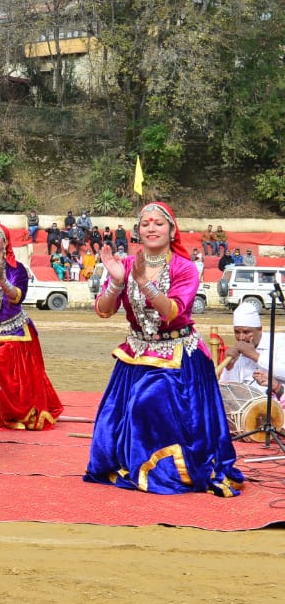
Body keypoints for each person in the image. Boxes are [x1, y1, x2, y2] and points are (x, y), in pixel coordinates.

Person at [84, 201, 243, 496]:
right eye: (145, 224)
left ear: (171, 230)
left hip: (177, 355)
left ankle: (164, 469)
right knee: (112, 414)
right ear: (138, 231)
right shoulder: (127, 264)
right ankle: (130, 463)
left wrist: (144, 283)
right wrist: (118, 283)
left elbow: (173, 311)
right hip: (136, 354)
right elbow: (103, 311)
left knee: (147, 401)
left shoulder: (185, 268)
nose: (151, 228)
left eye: (158, 223)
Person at [0, 224, 63, 430]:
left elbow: (18, 297)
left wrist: (2, 281)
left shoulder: (16, 269)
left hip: (13, 332)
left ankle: (10, 412)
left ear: (6, 242)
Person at [222, 301, 285, 397]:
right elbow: (227, 389)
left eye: (246, 332)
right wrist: (229, 368)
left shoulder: (279, 341)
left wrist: (255, 356)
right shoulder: (237, 352)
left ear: (260, 330)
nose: (241, 337)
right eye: (237, 332)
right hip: (247, 407)